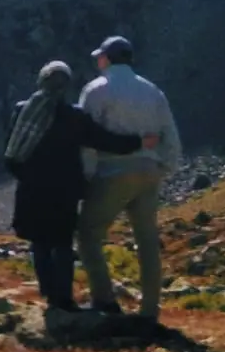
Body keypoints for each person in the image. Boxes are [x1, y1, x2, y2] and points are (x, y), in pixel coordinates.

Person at [2, 60, 157, 313]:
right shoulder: (74, 117)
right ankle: (64, 298)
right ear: (66, 87)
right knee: (62, 243)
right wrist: (139, 142)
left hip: (32, 190)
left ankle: (49, 295)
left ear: (41, 82)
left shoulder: (23, 111)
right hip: (65, 192)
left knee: (40, 242)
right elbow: (106, 141)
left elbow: (11, 151)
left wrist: (25, 177)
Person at [74, 36, 183, 320]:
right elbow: (169, 134)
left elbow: (85, 138)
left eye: (100, 56)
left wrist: (85, 176)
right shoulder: (152, 91)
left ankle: (104, 301)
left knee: (88, 235)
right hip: (149, 170)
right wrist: (165, 167)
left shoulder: (96, 90)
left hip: (112, 171)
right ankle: (150, 310)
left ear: (107, 58)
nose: (98, 60)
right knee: (147, 239)